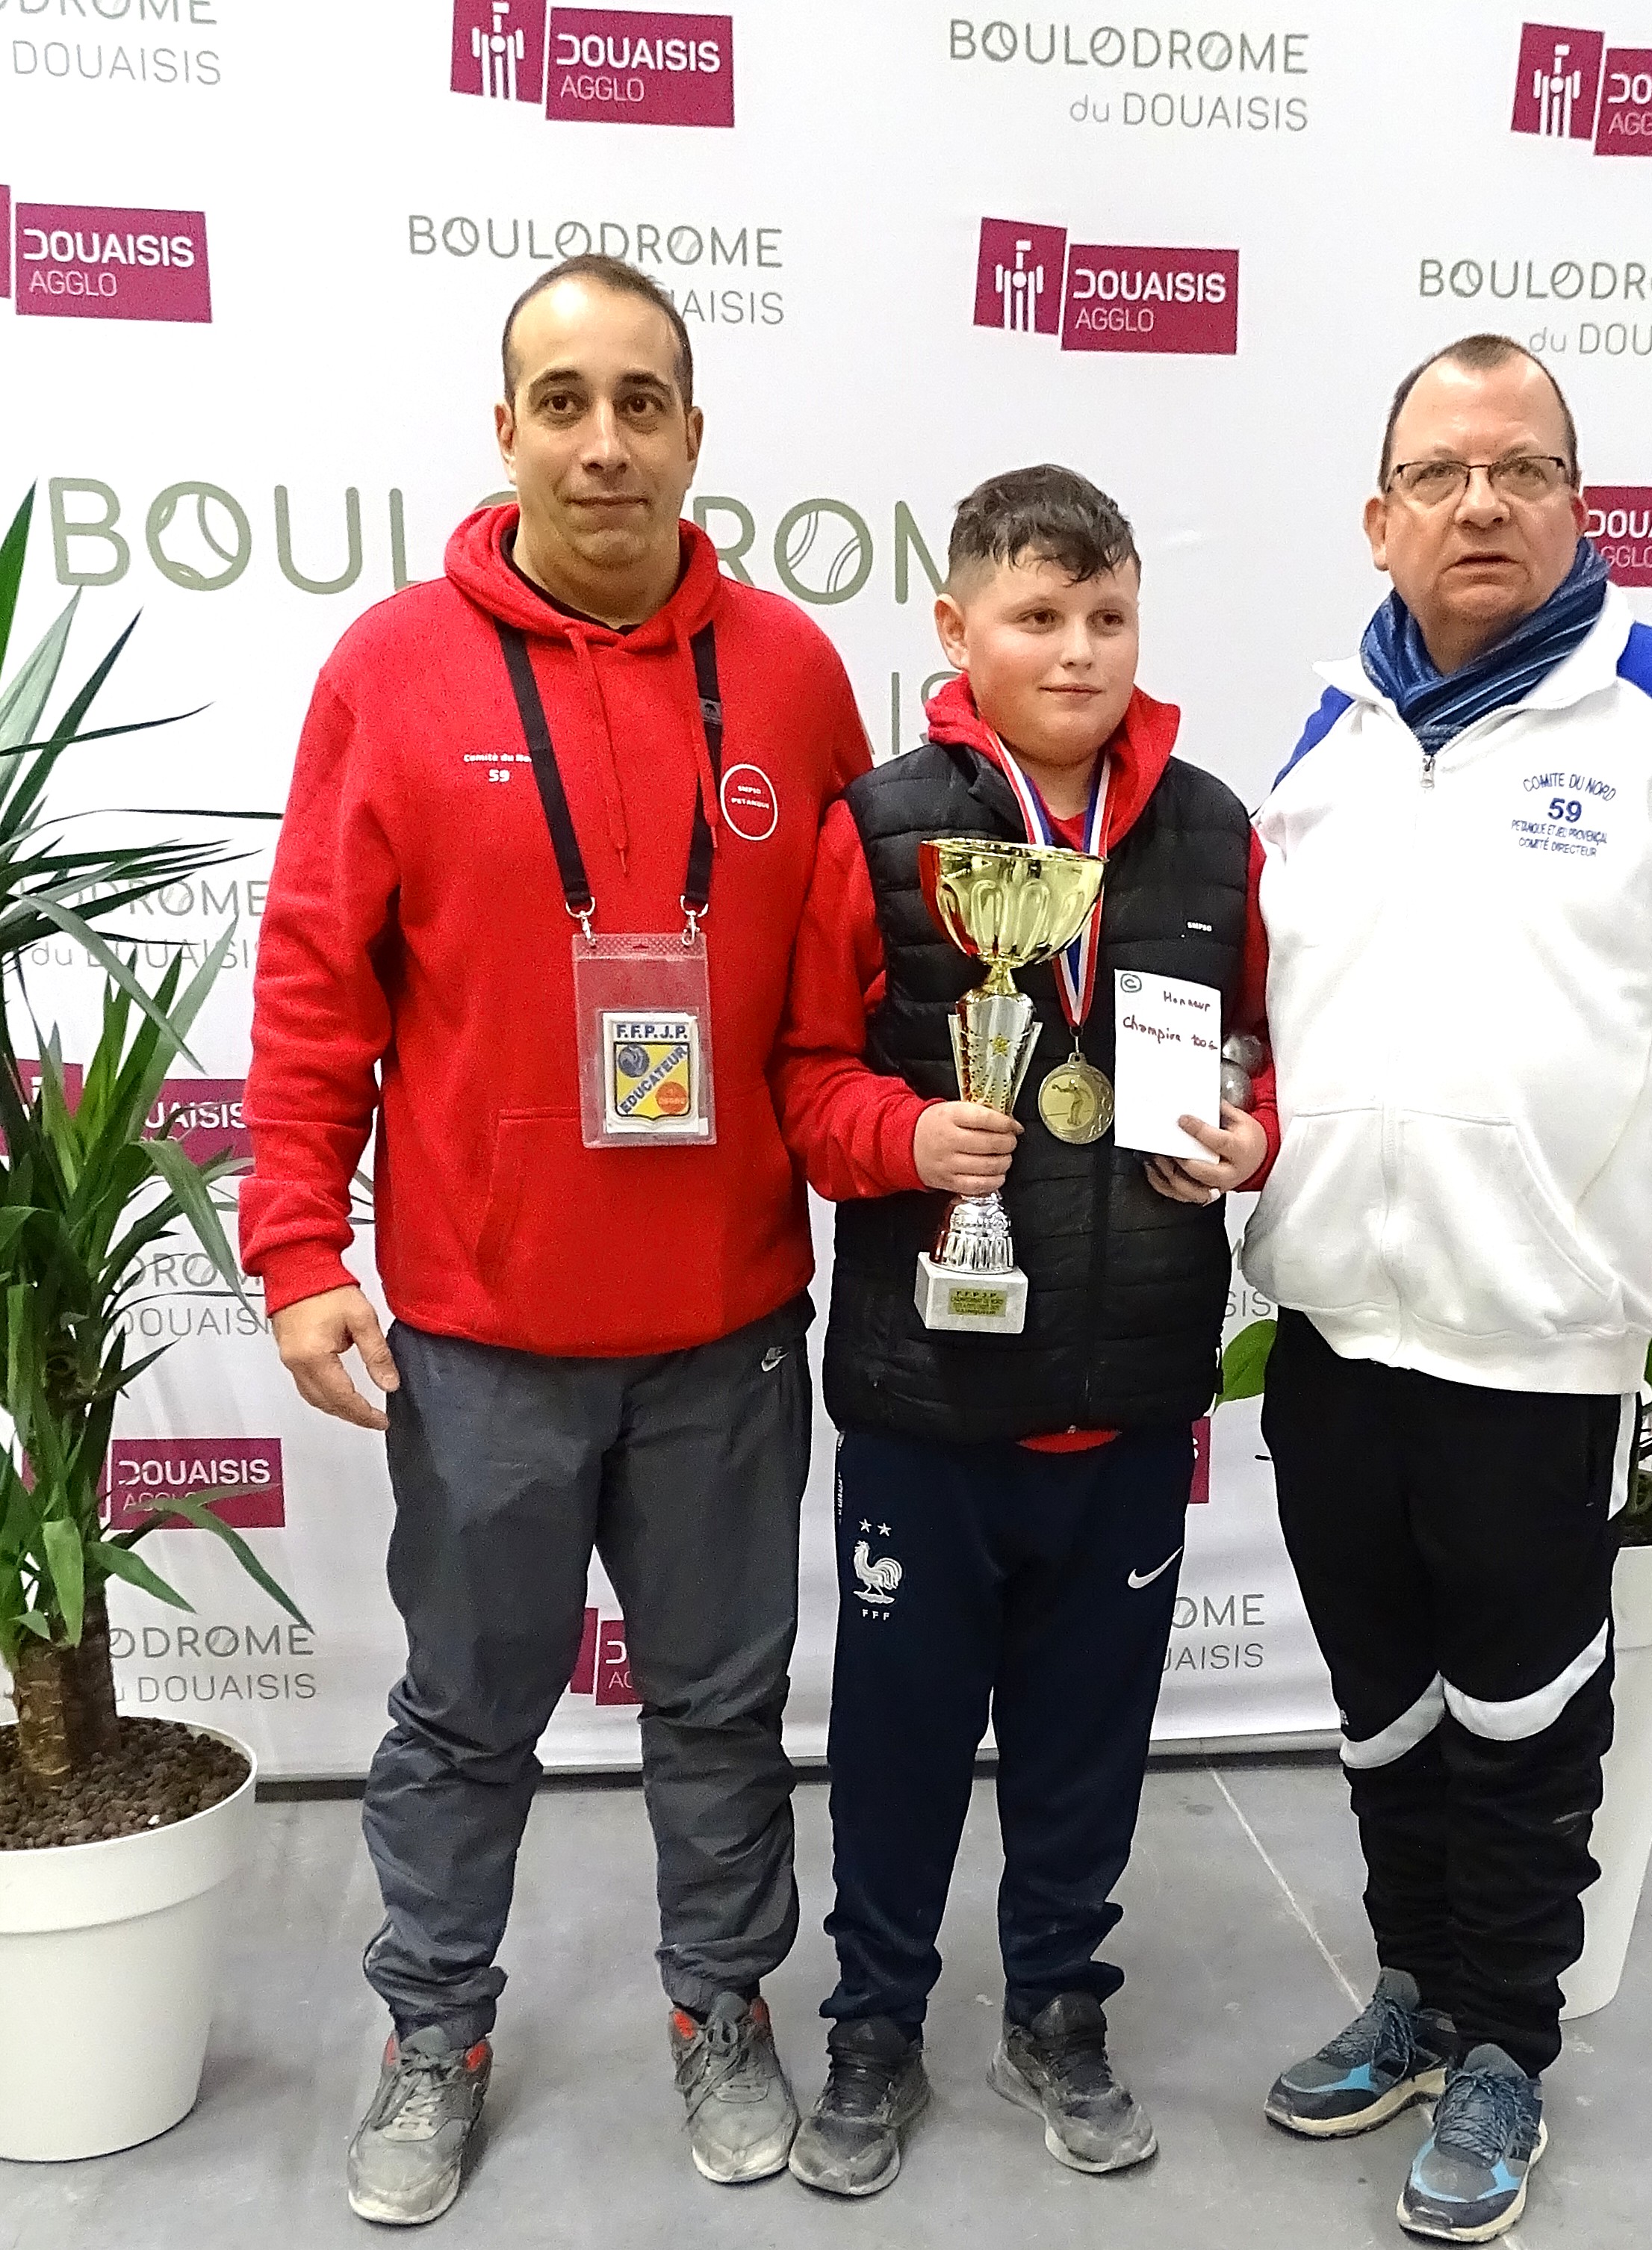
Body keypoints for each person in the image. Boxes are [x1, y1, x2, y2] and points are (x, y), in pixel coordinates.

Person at [238, 255, 871, 2225]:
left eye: (641, 402)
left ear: (693, 434)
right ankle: (433, 2029)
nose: (605, 443)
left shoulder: (790, 674)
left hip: (726, 1330)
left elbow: (858, 985)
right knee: (461, 1716)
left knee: (719, 1710)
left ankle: (718, 2005)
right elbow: (314, 982)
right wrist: (296, 1247)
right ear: (504, 429)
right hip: (484, 1333)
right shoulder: (394, 671)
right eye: (565, 401)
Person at [1243, 332, 1652, 2243]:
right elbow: (1271, 1027)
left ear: (1579, 505)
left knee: (1527, 1724)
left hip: (1535, 1352)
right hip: (1334, 1335)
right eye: (1441, 476)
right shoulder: (1334, 739)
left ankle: (1507, 2041)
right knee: (1381, 1708)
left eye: (1522, 470)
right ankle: (1414, 1992)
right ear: (1378, 520)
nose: (1483, 505)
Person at [770, 464, 1279, 2197]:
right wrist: (903, 1136)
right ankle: (875, 2020)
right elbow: (804, 1076)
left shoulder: (1210, 829)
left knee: (1088, 1737)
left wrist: (1250, 1138)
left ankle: (1060, 2002)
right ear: (956, 627)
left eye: (1107, 616)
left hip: (1127, 1393)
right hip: (930, 1398)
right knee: (901, 1740)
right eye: (1038, 616)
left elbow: (1258, 1054)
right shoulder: (878, 826)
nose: (1077, 651)